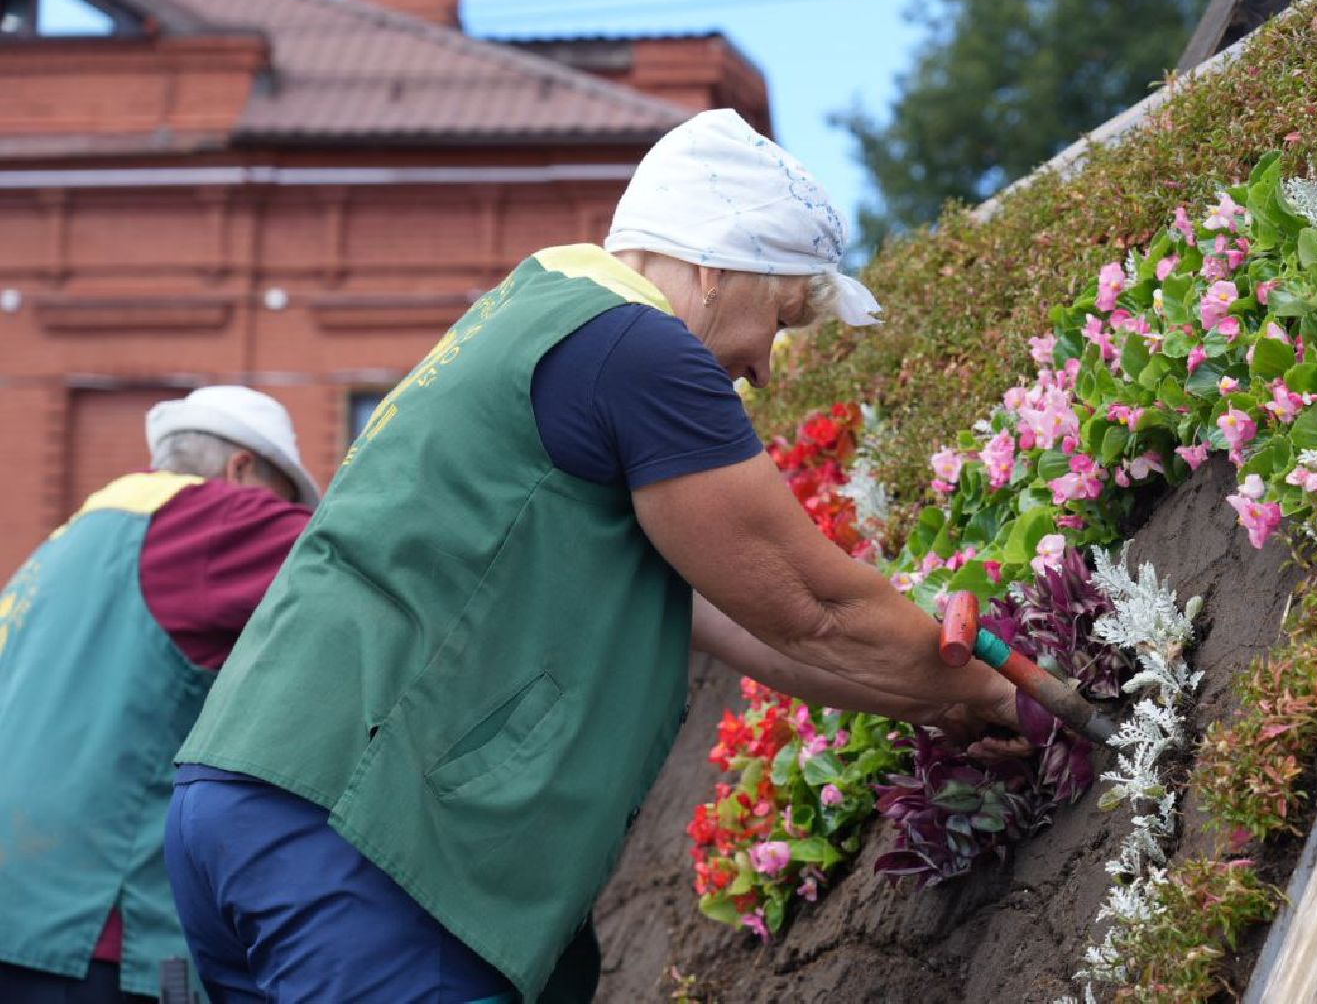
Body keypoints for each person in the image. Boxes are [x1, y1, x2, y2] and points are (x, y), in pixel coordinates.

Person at [164, 109, 1022, 1003]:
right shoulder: (634, 347)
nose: (767, 367)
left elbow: (740, 617)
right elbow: (808, 609)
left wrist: (933, 697)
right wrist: (1005, 694)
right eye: (780, 316)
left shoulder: (526, 317)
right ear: (713, 268)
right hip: (365, 832)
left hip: (244, 799)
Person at [0, 387, 318, 1002]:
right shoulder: (210, 520)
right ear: (240, 470)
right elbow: (357, 557)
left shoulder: (70, 540)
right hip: (89, 931)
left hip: (22, 911)